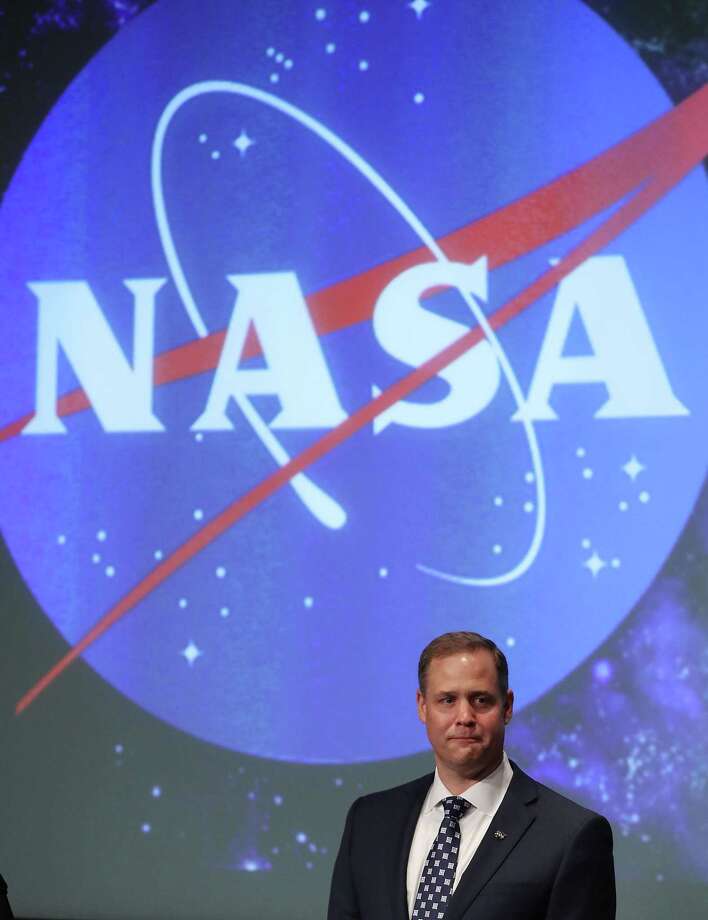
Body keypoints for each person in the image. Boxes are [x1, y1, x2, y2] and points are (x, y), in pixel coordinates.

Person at [328, 631, 615, 919]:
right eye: (447, 700)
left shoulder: (570, 834)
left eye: (480, 700)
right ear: (422, 706)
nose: (464, 716)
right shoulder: (368, 822)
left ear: (507, 706)